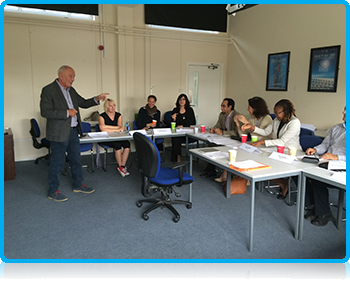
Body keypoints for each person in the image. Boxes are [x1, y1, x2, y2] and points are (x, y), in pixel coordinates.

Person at [40, 65, 108, 202]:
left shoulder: (71, 90)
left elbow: (82, 102)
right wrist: (67, 113)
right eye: (71, 76)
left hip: (73, 132)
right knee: (57, 163)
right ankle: (53, 190)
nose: (73, 79)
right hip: (58, 134)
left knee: (76, 160)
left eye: (74, 76)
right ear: (61, 76)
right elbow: (45, 112)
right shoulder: (48, 90)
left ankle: (78, 184)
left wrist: (96, 98)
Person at [241, 99, 302, 199]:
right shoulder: (277, 120)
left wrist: (262, 142)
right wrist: (252, 127)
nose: (276, 115)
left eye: (278, 113)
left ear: (286, 111)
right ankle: (282, 182)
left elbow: (282, 141)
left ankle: (284, 183)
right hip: (279, 150)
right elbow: (266, 132)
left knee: (266, 164)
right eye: (275, 113)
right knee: (260, 161)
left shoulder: (295, 123)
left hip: (292, 152)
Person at [304, 106, 346, 227]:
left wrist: (337, 157)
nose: (343, 112)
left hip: (343, 166)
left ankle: (324, 213)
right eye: (344, 109)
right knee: (304, 173)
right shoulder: (336, 128)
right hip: (330, 163)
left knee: (318, 179)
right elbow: (325, 144)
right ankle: (316, 206)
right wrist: (315, 149)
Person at [215, 96, 273, 183]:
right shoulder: (252, 118)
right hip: (255, 143)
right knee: (236, 149)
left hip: (265, 145)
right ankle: (228, 174)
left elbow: (259, 136)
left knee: (243, 152)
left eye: (249, 107)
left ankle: (243, 177)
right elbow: (244, 135)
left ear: (256, 108)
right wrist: (238, 124)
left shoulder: (267, 118)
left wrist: (247, 123)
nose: (247, 109)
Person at [99, 99, 131, 177]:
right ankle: (121, 167)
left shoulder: (118, 115)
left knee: (127, 144)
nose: (113, 108)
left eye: (114, 105)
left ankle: (122, 166)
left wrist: (107, 127)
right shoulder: (101, 116)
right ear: (106, 107)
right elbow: (103, 130)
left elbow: (121, 128)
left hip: (118, 136)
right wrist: (116, 129)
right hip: (106, 138)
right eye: (110, 106)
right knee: (117, 146)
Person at [171, 93, 196, 162]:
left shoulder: (190, 110)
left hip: (187, 132)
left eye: (183, 99)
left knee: (176, 139)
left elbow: (193, 122)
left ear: (186, 101)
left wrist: (183, 126)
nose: (182, 101)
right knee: (176, 139)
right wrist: (174, 119)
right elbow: (172, 124)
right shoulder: (175, 110)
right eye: (180, 99)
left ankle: (177, 157)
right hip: (177, 132)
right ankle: (178, 157)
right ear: (178, 101)